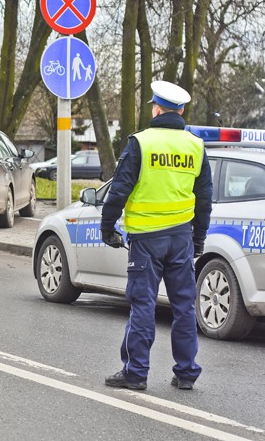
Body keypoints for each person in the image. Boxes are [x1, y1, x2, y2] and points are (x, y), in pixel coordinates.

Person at [101, 80, 212, 392]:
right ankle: (187, 372)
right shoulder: (195, 146)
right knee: (183, 307)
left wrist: (107, 227)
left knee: (143, 305)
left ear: (158, 109)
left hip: (147, 239)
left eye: (153, 105)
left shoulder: (141, 143)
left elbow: (119, 190)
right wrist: (198, 239)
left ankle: (136, 373)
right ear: (181, 111)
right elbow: (204, 200)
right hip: (181, 239)